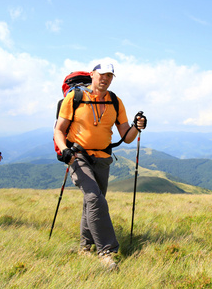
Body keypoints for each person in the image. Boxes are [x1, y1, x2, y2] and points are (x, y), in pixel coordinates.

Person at [54, 63, 147, 270]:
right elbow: (59, 130)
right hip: (78, 155)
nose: (105, 78)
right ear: (92, 75)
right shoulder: (75, 98)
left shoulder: (115, 101)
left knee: (93, 201)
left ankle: (85, 248)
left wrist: (136, 127)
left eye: (110, 76)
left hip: (103, 157)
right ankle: (107, 251)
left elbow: (126, 137)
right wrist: (64, 150)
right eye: (101, 74)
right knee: (94, 197)